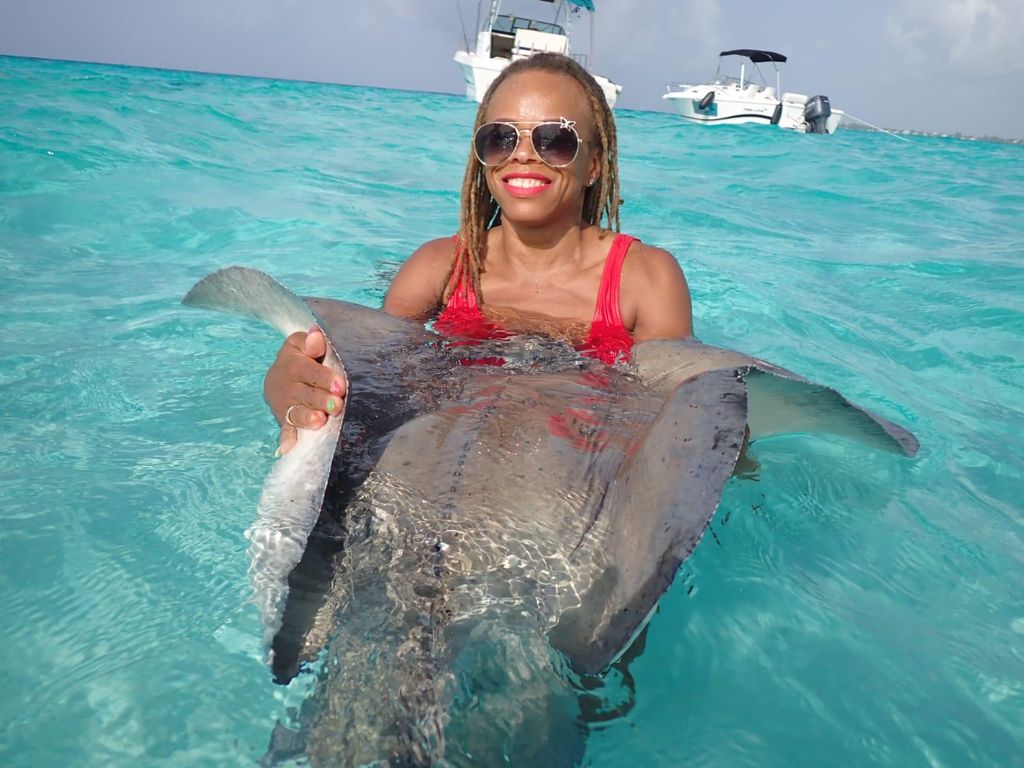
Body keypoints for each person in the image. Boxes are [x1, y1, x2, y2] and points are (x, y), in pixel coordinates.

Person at [264, 52, 693, 455]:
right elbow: (375, 380)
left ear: (594, 164)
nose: (523, 154)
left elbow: (674, 414)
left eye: (554, 139)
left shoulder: (645, 280)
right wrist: (297, 385)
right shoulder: (440, 269)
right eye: (500, 138)